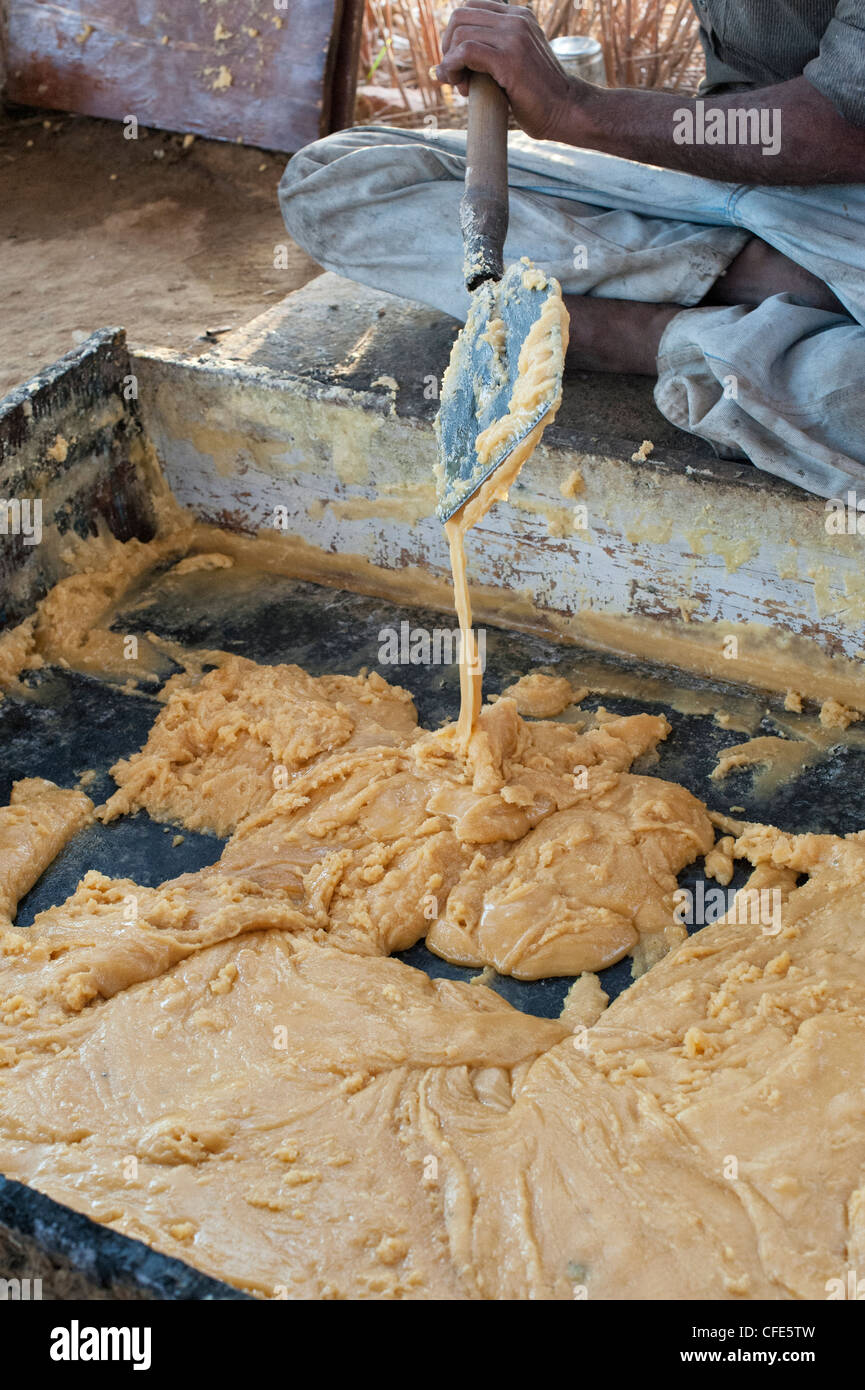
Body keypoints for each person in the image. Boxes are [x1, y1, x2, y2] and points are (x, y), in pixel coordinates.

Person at [280, 2, 865, 499]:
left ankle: (645, 334)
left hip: (836, 189)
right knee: (335, 180)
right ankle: (759, 274)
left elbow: (844, 122)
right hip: (726, 179)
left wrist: (572, 110)